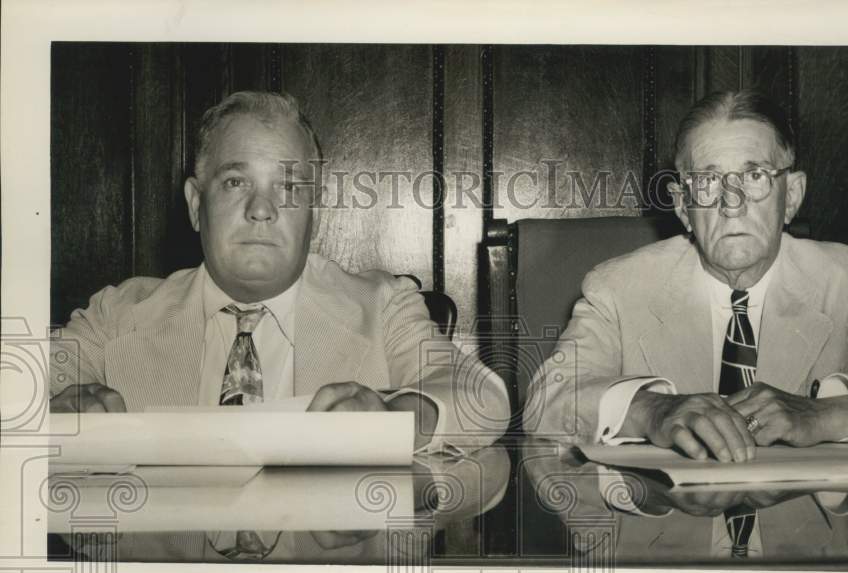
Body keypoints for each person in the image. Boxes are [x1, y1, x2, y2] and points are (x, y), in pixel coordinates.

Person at [49, 90, 510, 455]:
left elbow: (482, 398)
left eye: (288, 186)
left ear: (315, 213)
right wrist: (55, 411)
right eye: (236, 182)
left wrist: (398, 419)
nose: (261, 209)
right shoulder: (115, 317)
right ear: (195, 205)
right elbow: (20, 386)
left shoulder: (382, 306)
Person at [525, 89, 848, 464]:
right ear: (682, 206)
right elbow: (547, 401)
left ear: (792, 196)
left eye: (755, 176)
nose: (732, 203)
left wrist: (824, 415)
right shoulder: (619, 288)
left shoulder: (845, 282)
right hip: (664, 539)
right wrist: (652, 411)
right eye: (708, 180)